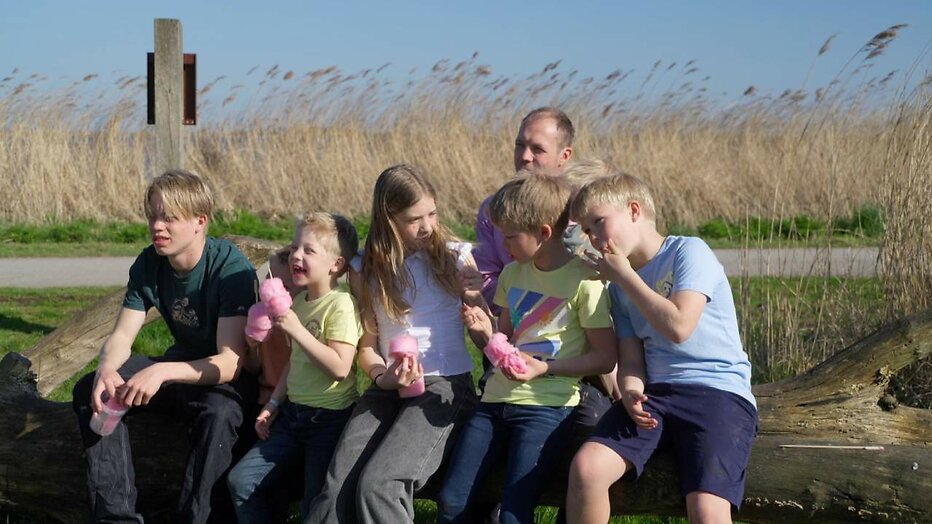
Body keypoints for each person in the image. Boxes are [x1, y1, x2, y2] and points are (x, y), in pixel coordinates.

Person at [565, 173, 758, 523]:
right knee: (586, 469)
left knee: (706, 508)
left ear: (634, 210)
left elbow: (679, 327)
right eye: (587, 230)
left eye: (598, 223)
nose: (593, 238)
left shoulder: (688, 251)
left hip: (717, 393)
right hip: (656, 396)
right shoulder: (619, 288)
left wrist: (624, 276)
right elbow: (632, 359)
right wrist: (631, 391)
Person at [71, 169, 258, 523]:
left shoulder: (229, 268)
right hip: (180, 366)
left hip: (223, 378)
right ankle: (116, 517)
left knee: (220, 413)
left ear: (200, 222)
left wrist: (159, 371)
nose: (158, 226)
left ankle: (196, 517)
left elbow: (230, 363)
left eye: (169, 218)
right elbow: (122, 337)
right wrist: (107, 369)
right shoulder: (149, 263)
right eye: (154, 216)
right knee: (91, 390)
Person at [304, 164, 479, 523]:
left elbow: (486, 334)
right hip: (388, 386)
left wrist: (477, 301)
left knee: (380, 485)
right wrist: (385, 377)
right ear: (389, 218)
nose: (427, 226)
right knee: (335, 488)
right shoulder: (365, 269)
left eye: (432, 213)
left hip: (445, 385)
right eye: (414, 219)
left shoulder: (456, 258)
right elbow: (367, 349)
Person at [437, 174, 615, 524]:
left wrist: (545, 368)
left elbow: (606, 358)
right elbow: (503, 346)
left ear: (545, 233)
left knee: (514, 512)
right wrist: (485, 331)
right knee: (451, 500)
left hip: (547, 408)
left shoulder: (586, 282)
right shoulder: (512, 276)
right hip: (494, 403)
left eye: (510, 236)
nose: (503, 245)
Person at [227, 212, 362, 522]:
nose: (296, 256)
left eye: (309, 251)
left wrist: (297, 330)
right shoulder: (299, 303)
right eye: (294, 248)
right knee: (242, 482)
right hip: (292, 416)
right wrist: (274, 404)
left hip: (328, 421)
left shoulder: (340, 305)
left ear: (336, 265)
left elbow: (340, 368)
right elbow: (295, 365)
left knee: (315, 509)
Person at [474, 107, 575, 310]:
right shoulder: (493, 209)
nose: (525, 156)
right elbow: (485, 278)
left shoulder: (583, 208)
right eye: (520, 145)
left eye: (537, 149)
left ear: (564, 155)